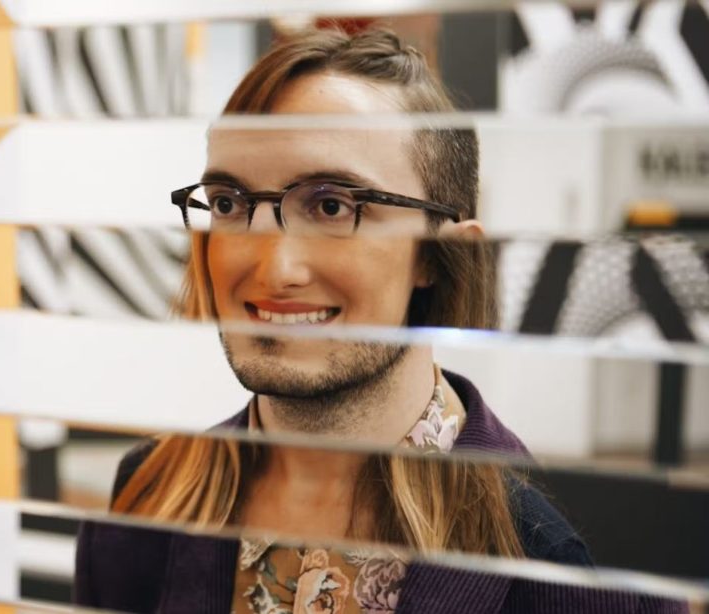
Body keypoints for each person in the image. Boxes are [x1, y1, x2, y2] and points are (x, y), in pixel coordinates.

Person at [74, 28, 685, 614]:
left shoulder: (578, 570)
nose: (272, 268)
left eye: (333, 206)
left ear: (442, 256)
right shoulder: (149, 498)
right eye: (230, 205)